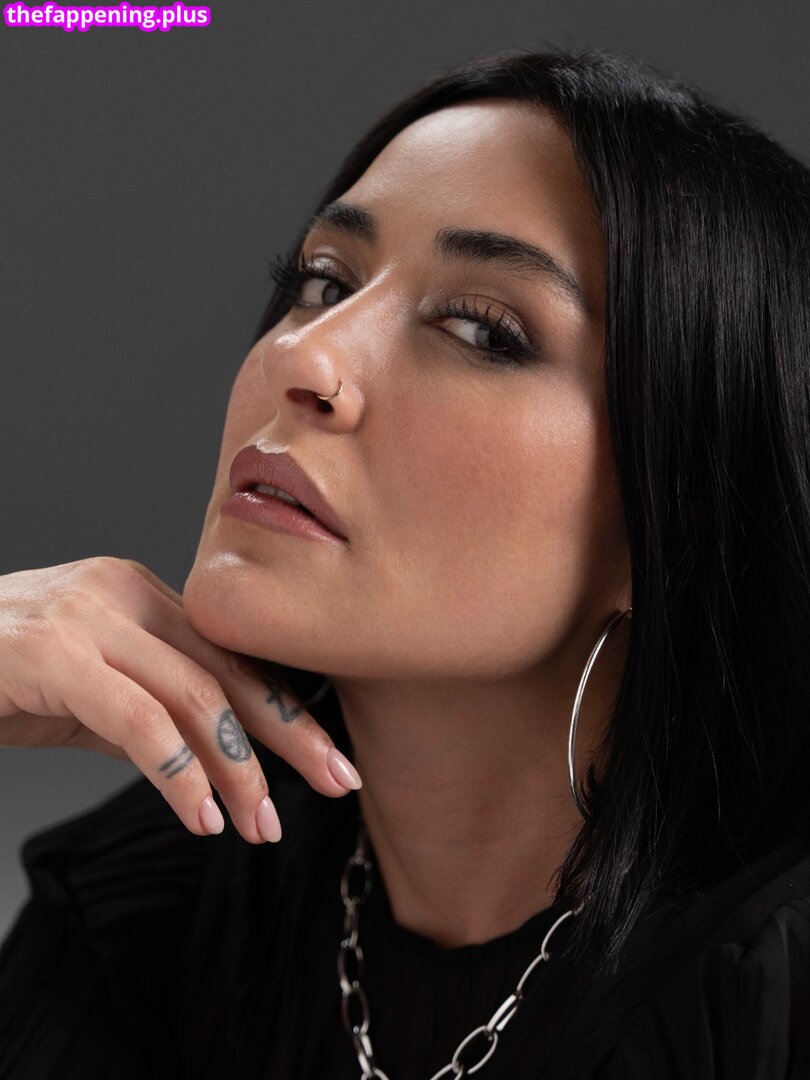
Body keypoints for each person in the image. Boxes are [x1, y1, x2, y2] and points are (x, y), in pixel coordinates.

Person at [1, 43, 809, 1080]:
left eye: (482, 329)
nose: (303, 354)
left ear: (676, 517)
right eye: (321, 281)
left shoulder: (761, 993)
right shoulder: (153, 916)